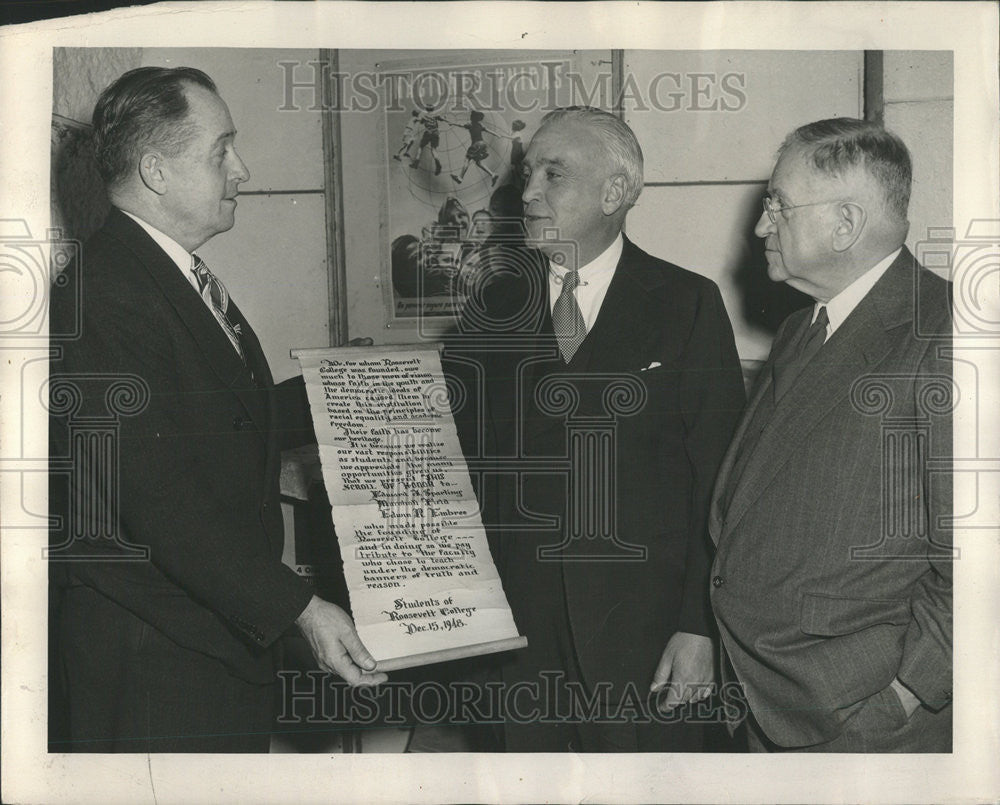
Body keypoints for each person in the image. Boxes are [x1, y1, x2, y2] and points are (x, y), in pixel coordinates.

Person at [48, 66, 386, 753]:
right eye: (220, 149)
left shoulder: (158, 271)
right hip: (157, 666)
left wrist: (345, 386)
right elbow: (160, 495)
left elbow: (225, 422)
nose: (243, 167)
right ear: (156, 170)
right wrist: (299, 608)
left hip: (208, 643)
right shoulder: (105, 293)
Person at [444, 106, 745, 751]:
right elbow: (447, 449)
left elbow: (722, 484)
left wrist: (700, 630)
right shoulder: (495, 306)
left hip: (647, 637)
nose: (527, 193)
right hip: (519, 639)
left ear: (617, 192)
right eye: (528, 174)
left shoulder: (686, 303)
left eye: (554, 175)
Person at [709, 118, 953, 752]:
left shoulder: (948, 337)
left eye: (778, 207)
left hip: (860, 719)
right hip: (762, 699)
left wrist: (908, 690)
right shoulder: (801, 328)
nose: (761, 226)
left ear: (846, 224)